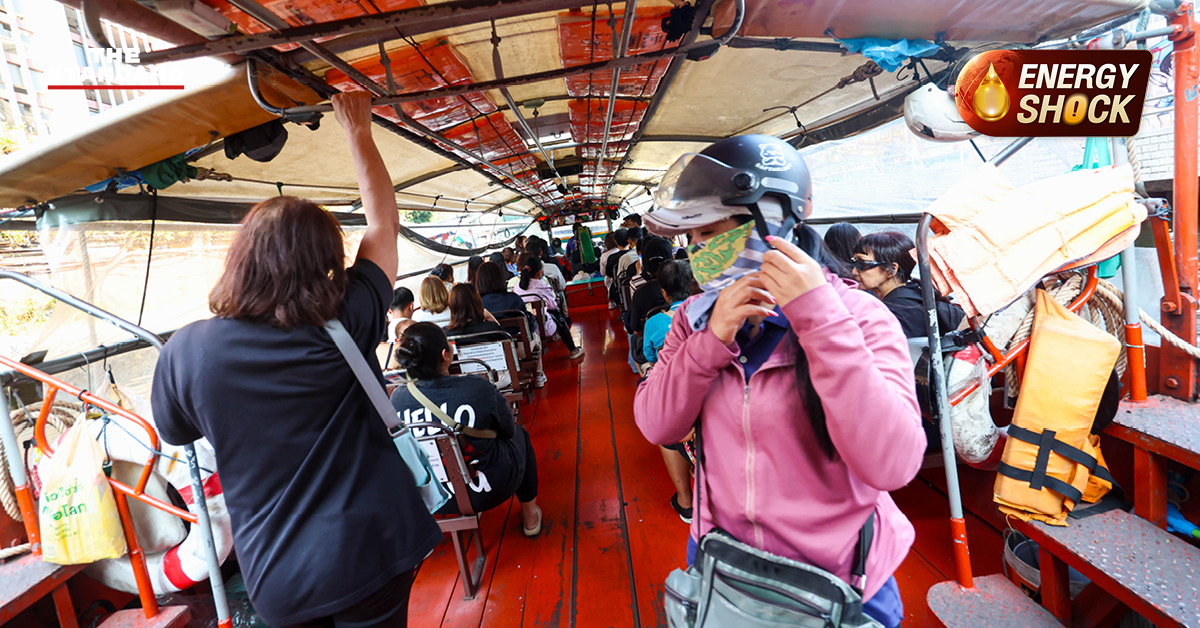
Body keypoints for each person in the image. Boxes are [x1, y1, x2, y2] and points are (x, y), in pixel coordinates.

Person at [150, 92, 441, 628]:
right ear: (330, 264)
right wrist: (358, 132)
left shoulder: (185, 351)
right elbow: (383, 227)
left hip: (279, 573)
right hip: (375, 547)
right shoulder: (347, 321)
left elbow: (176, 432)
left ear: (239, 259)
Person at [634, 135, 923, 628]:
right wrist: (711, 341)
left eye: (709, 234)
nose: (697, 252)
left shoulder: (858, 317)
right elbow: (657, 424)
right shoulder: (692, 318)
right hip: (724, 572)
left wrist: (817, 318)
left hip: (841, 584)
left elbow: (892, 464)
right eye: (691, 239)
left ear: (771, 221)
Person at [390, 323, 543, 536]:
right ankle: (530, 515)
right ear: (446, 354)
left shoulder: (398, 398)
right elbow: (507, 430)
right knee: (520, 436)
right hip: (489, 489)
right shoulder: (476, 387)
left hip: (433, 499)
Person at [852, 231, 966, 338]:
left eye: (862, 263)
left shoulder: (896, 314)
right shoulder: (916, 295)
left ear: (891, 270)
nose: (854, 271)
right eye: (854, 262)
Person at [475, 261, 545, 388]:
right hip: (518, 349)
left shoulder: (476, 305)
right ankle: (539, 376)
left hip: (491, 353)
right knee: (536, 338)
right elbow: (528, 323)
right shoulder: (513, 298)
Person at [515, 256, 585, 360]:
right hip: (543, 327)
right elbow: (553, 305)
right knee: (557, 313)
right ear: (539, 272)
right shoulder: (542, 286)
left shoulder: (517, 286)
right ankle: (572, 349)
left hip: (524, 327)